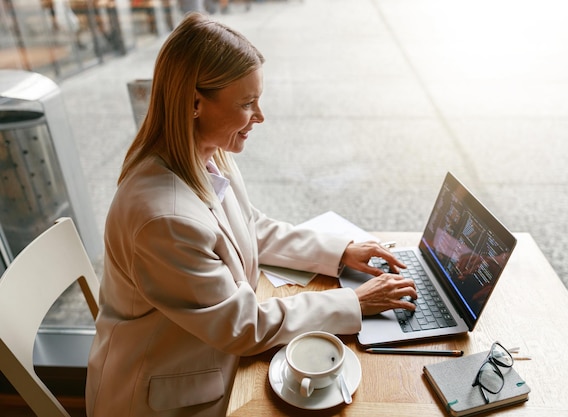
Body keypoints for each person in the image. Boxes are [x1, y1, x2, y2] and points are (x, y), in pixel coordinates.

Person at [86, 12, 417, 417]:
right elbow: (244, 327)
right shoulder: (163, 220)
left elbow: (249, 226)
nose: (260, 116)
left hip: (207, 358)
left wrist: (341, 251)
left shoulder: (206, 154)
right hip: (164, 398)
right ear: (194, 103)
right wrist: (354, 303)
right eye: (247, 103)